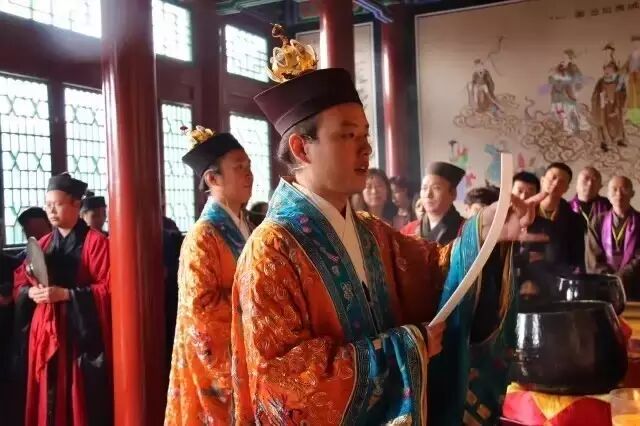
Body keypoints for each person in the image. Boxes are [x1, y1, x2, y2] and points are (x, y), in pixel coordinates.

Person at [232, 30, 547, 425]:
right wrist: (405, 347)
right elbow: (282, 383)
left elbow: (437, 270)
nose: (366, 148)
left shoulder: (371, 232)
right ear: (300, 147)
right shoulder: (271, 250)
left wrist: (486, 228)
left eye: (365, 135)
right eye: (348, 135)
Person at [165, 125, 254, 425]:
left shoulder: (248, 225)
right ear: (213, 179)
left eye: (249, 166)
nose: (249, 174)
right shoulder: (202, 236)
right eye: (239, 168)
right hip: (216, 365)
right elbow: (201, 310)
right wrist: (256, 306)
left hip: (248, 350)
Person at [13, 173, 111, 426]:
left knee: (76, 395)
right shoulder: (43, 243)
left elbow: (108, 288)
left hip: (77, 332)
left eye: (57, 204)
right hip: (44, 330)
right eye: (48, 205)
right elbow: (20, 281)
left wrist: (67, 294)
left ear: (76, 204)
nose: (51, 211)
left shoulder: (97, 243)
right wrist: (30, 293)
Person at [587, 176, 640, 299]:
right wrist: (609, 278)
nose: (619, 194)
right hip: (603, 285)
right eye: (614, 189)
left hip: (634, 284)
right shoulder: (597, 221)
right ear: (608, 195)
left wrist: (621, 277)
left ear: (632, 193)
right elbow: (593, 256)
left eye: (624, 189)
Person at [401, 161, 465, 245]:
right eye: (424, 188)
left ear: (453, 193)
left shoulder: (466, 230)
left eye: (436, 188)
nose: (428, 194)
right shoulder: (408, 230)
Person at [591, 59, 627, 151]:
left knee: (616, 123)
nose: (607, 71)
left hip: (615, 105)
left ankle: (619, 139)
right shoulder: (600, 82)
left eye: (610, 70)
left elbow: (623, 93)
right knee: (603, 123)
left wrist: (618, 104)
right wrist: (602, 99)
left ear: (614, 71)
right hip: (603, 106)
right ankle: (604, 142)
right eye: (606, 69)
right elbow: (595, 94)